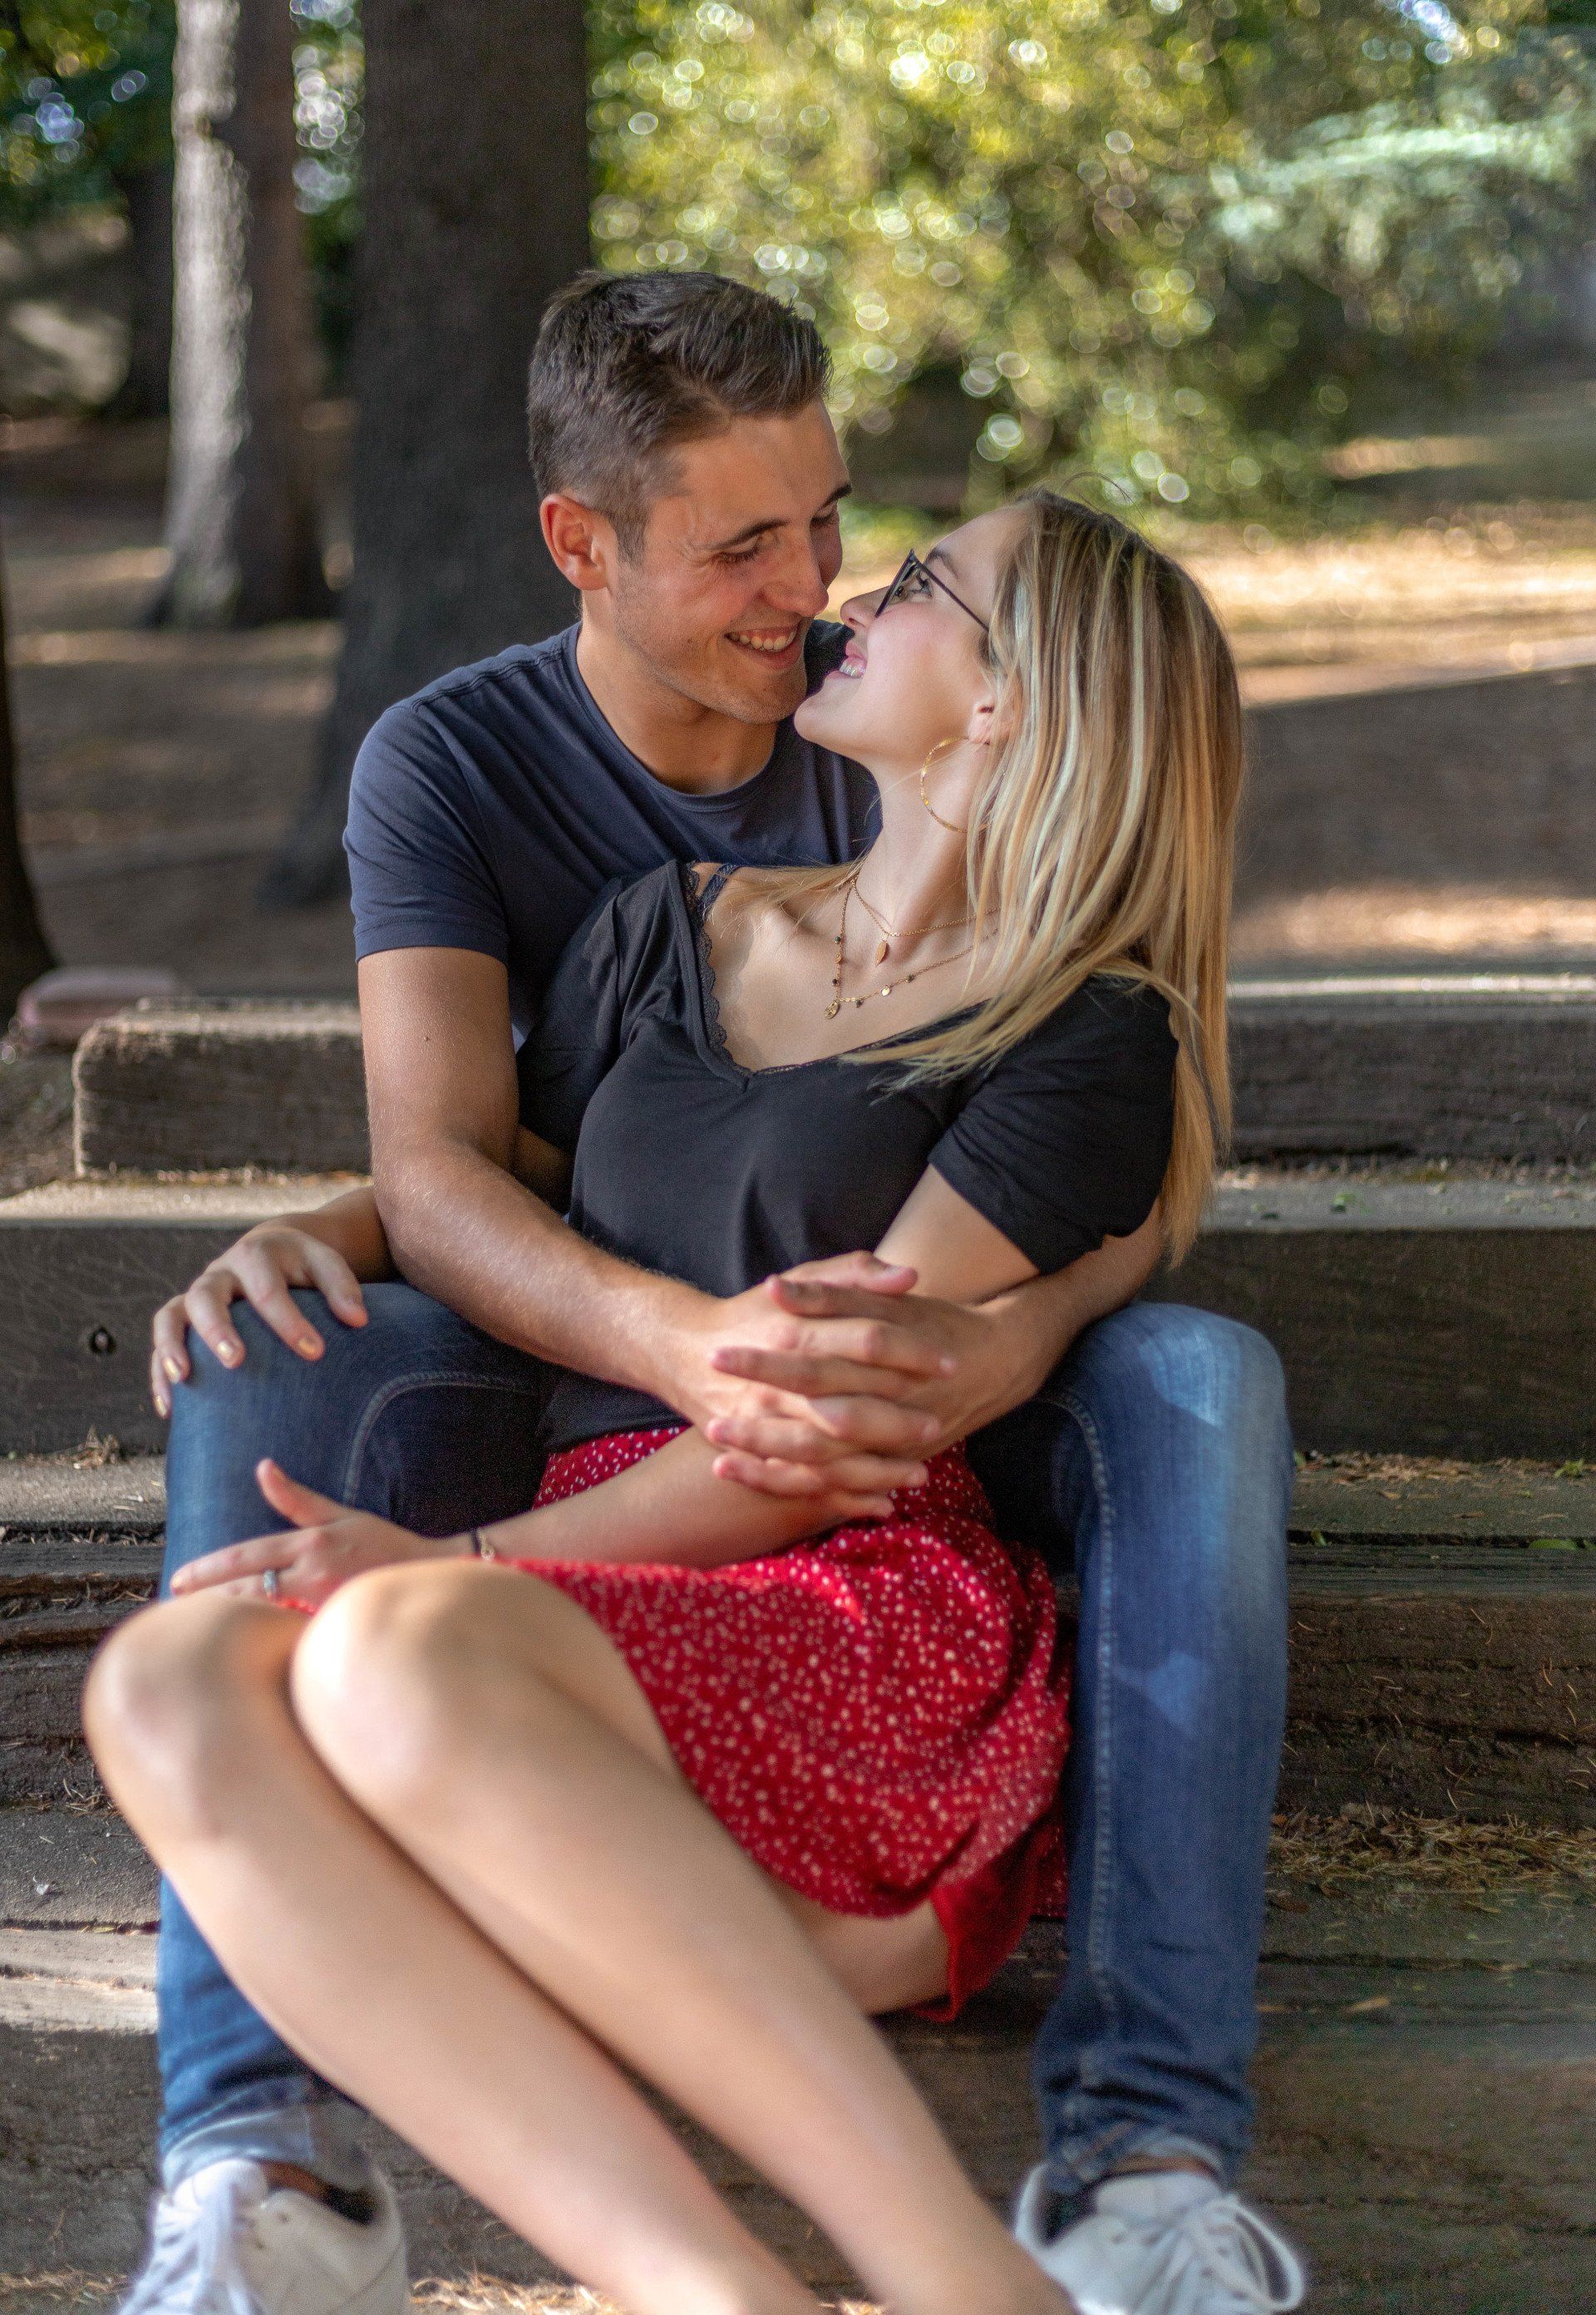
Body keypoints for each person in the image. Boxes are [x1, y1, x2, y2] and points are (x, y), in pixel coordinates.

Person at [119, 275, 1300, 2315]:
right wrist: (346, 1214)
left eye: (859, 541)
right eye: (750, 546)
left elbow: (1076, 1149)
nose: (824, 592)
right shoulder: (637, 903)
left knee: (1194, 1373)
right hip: (614, 1483)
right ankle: (332, 2185)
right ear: (586, 542)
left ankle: (1081, 2189)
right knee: (162, 1669)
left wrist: (996, 1341)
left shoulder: (1039, 972)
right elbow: (519, 1168)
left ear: (1005, 704)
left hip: (841, 1547)